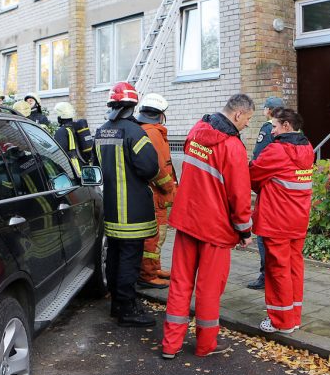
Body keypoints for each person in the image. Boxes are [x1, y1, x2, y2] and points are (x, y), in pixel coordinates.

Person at [162, 94, 256, 358]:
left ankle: (170, 345)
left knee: (180, 283)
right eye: (247, 119)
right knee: (209, 287)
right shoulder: (233, 146)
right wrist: (244, 231)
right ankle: (205, 345)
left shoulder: (196, 130)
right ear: (238, 115)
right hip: (214, 227)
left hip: (187, 220)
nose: (247, 125)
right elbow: (239, 194)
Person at [95, 82, 160, 327]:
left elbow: (95, 168)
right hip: (132, 213)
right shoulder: (135, 133)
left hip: (110, 210)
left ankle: (116, 305)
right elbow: (150, 168)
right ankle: (127, 310)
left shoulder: (101, 131)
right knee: (130, 261)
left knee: (113, 257)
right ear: (133, 105)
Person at [249, 108, 314, 334]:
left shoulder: (276, 150)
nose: (272, 131)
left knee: (277, 270)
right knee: (295, 267)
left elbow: (253, 176)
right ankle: (294, 317)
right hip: (298, 220)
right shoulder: (306, 148)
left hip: (276, 220)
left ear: (286, 126)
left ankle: (281, 321)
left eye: (275, 126)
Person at [135, 93, 178, 290]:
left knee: (158, 236)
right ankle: (148, 275)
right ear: (161, 114)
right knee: (155, 236)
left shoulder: (145, 130)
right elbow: (158, 168)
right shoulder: (153, 133)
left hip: (152, 194)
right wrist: (170, 188)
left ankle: (155, 268)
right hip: (156, 196)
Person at [247, 96, 285, 291]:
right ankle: (279, 275)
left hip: (269, 188)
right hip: (287, 193)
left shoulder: (268, 127)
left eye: (264, 109)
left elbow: (259, 157)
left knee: (263, 234)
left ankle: (266, 276)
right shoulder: (295, 130)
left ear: (270, 110)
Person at [52, 101, 94, 176]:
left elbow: (58, 155)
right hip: (86, 169)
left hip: (74, 172)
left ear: (60, 116)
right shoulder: (78, 127)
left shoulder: (62, 131)